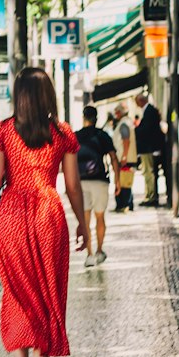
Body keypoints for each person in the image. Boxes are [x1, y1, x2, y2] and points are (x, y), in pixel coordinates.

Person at [0, 67, 86, 357]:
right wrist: (84, 226)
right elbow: (73, 186)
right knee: (48, 296)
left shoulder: (2, 131)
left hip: (12, 216)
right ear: (48, 96)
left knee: (17, 295)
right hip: (49, 214)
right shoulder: (63, 134)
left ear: (20, 96)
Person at [75, 104, 120, 267]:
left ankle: (89, 255)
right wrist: (117, 180)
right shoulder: (102, 135)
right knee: (100, 216)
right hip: (100, 180)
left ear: (83, 118)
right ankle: (100, 250)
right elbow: (113, 157)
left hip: (81, 181)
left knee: (85, 218)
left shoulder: (76, 136)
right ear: (96, 119)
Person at [134, 88, 164, 206]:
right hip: (148, 147)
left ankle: (151, 196)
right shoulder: (148, 111)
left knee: (149, 172)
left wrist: (135, 131)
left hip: (148, 147)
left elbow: (147, 129)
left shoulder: (149, 111)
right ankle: (149, 195)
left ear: (141, 100)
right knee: (148, 172)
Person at [109, 102, 136, 211]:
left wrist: (124, 156)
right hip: (127, 156)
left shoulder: (124, 124)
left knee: (123, 182)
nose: (115, 114)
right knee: (126, 181)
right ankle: (127, 204)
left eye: (116, 112)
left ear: (120, 112)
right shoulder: (128, 122)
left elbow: (126, 140)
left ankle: (124, 205)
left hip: (124, 157)